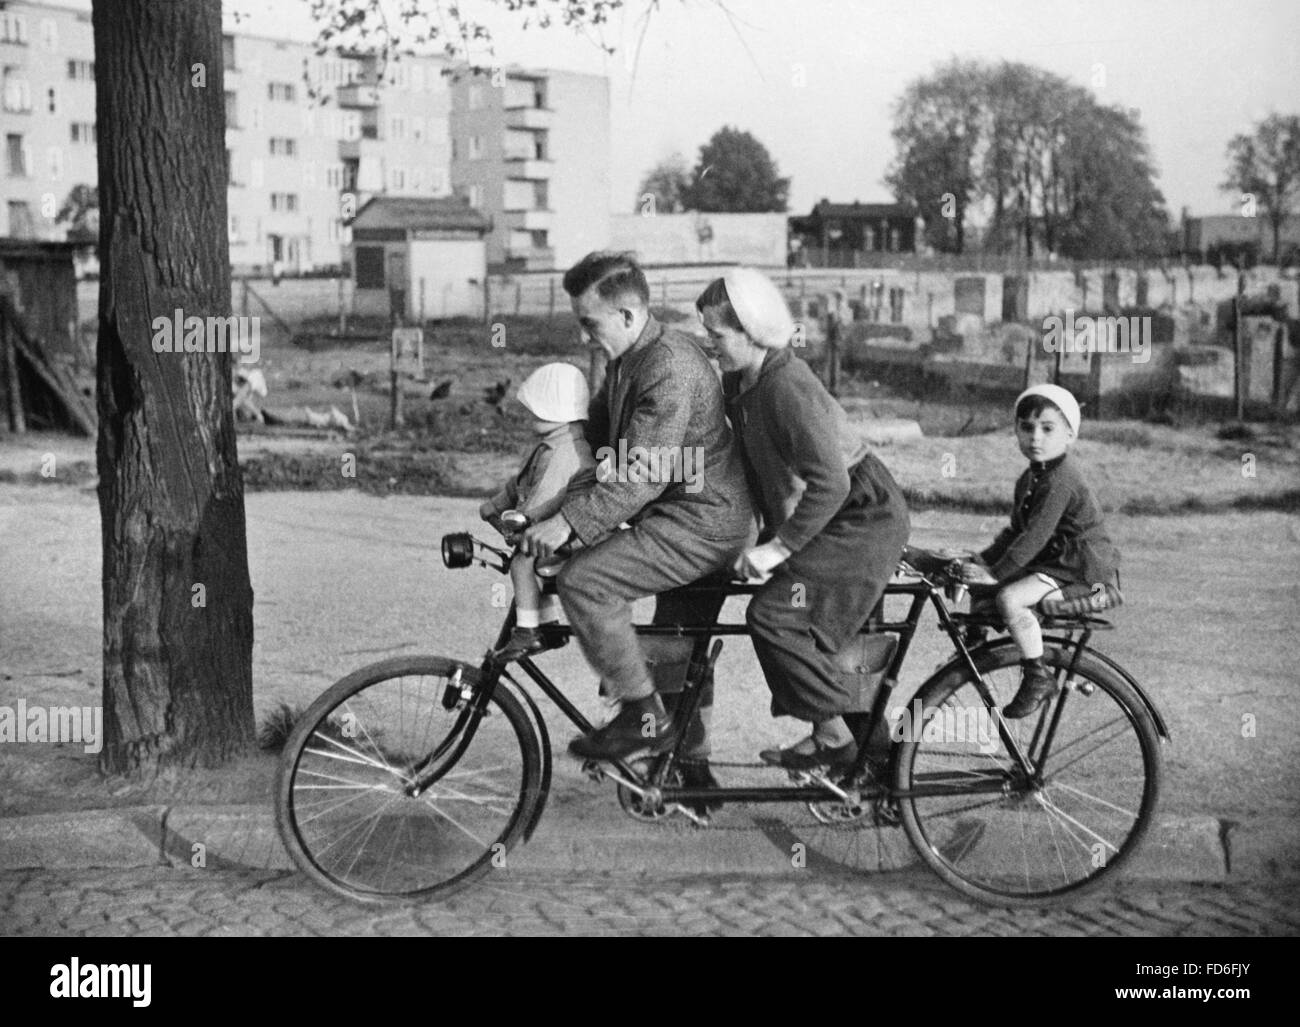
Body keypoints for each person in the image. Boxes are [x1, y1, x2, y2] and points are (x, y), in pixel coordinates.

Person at [519, 252, 754, 763]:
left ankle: (641, 719)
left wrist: (569, 522)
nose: (584, 337)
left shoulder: (669, 365)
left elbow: (644, 470)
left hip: (704, 522)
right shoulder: (631, 356)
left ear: (627, 316)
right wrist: (533, 489)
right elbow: (597, 436)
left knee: (586, 581)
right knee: (677, 649)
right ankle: (686, 770)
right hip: (681, 515)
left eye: (589, 324)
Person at [696, 268, 911, 773]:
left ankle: (835, 738)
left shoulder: (786, 386)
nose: (710, 346)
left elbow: (830, 483)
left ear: (752, 332)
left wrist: (778, 549)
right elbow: (766, 472)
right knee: (799, 621)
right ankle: (862, 755)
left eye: (717, 335)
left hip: (861, 515)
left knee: (775, 617)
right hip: (834, 513)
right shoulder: (741, 384)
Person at [954, 384, 1121, 718]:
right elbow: (1015, 533)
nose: (1036, 438)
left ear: (1070, 435)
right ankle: (975, 646)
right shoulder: (1029, 479)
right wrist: (981, 561)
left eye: (1048, 429)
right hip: (1053, 560)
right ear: (1016, 430)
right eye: (1026, 427)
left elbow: (1034, 537)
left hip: (1078, 565)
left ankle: (1037, 675)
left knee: (1009, 598)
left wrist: (995, 573)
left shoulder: (1061, 480)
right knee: (978, 580)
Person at [479, 363, 596, 661]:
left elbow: (546, 497)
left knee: (522, 562)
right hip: (563, 531)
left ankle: (528, 631)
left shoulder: (566, 452)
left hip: (570, 535)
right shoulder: (551, 446)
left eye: (538, 409)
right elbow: (523, 482)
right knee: (533, 563)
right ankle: (547, 624)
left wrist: (524, 520)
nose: (531, 415)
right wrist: (498, 503)